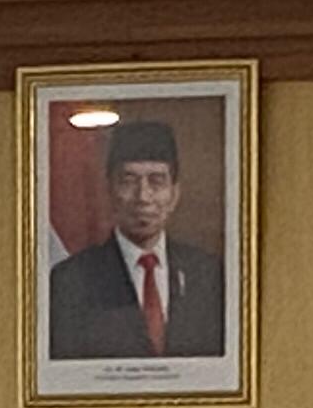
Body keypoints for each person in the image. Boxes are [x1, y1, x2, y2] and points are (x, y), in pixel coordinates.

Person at [44, 118, 229, 359]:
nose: (143, 196)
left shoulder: (207, 274)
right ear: (110, 191)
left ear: (174, 195)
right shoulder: (71, 280)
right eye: (129, 181)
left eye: (156, 181)